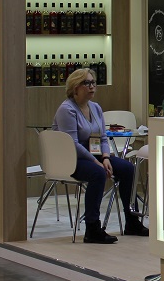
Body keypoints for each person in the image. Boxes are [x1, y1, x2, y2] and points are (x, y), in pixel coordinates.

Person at [52, 68, 148, 244]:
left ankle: (132, 221)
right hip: (71, 159)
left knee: (128, 168)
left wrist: (105, 157)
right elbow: (72, 143)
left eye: (93, 83)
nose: (92, 87)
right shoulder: (66, 110)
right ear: (75, 87)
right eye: (87, 83)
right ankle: (92, 228)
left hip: (95, 156)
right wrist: (96, 163)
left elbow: (103, 137)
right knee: (98, 173)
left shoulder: (95, 108)